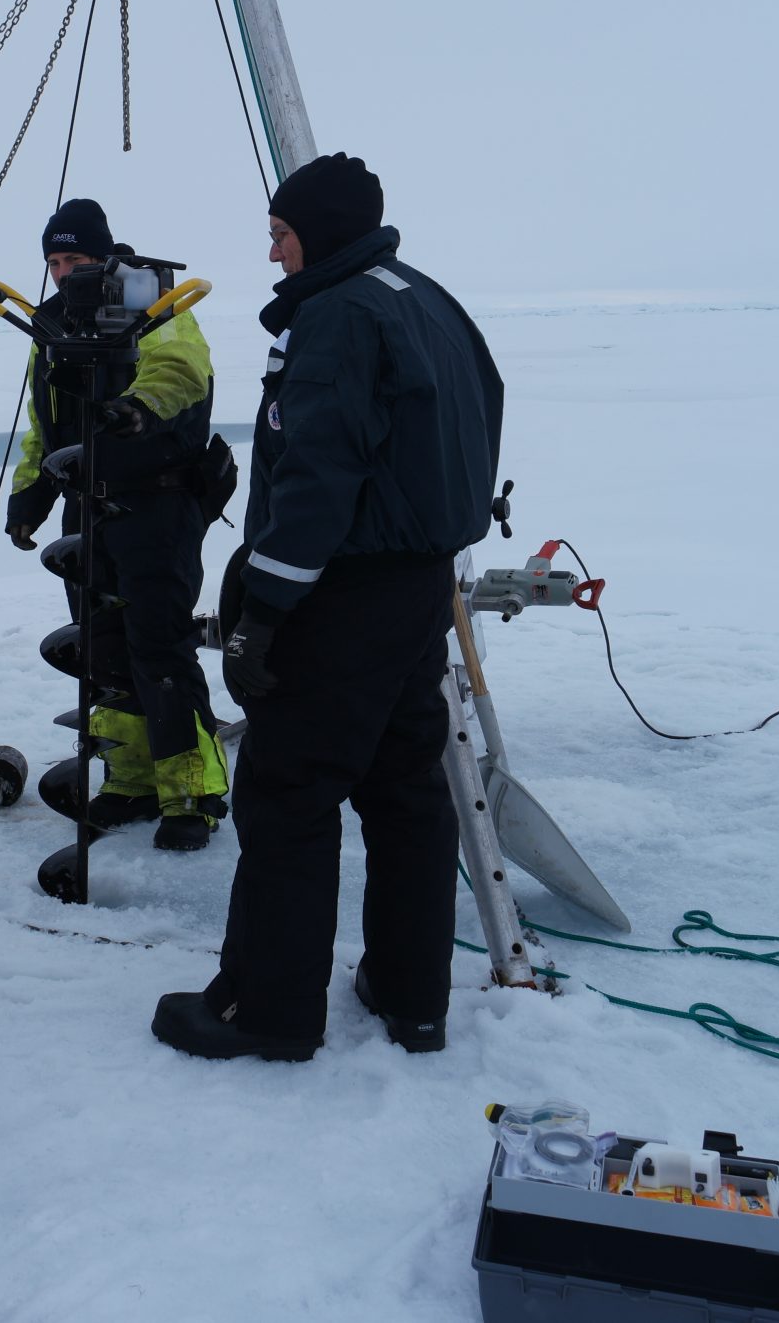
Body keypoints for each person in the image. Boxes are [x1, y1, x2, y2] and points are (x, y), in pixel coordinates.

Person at [151, 153, 503, 1062]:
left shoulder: (339, 315)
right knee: (404, 788)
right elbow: (482, 408)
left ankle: (266, 1008)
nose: (272, 253)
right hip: (422, 585)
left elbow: (315, 474)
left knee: (287, 794)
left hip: (344, 593)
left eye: (280, 233)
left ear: (323, 230)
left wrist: (262, 607)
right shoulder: (425, 297)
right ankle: (413, 990)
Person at [4, 199, 229, 850]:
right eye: (52, 259)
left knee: (157, 644)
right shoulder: (48, 323)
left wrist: (137, 409)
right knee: (102, 648)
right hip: (85, 503)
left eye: (74, 257)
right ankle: (131, 780)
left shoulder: (147, 296)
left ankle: (193, 791)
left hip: (155, 497)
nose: (61, 270)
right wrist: (31, 494)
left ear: (104, 255)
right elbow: (42, 421)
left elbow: (180, 370)